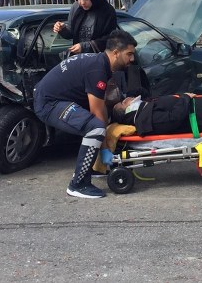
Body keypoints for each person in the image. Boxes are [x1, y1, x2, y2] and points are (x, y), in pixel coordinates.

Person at [33, 30, 137, 198]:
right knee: (95, 127)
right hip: (48, 103)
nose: (132, 59)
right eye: (129, 54)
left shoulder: (100, 63)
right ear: (116, 53)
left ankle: (92, 170)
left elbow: (101, 107)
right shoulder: (97, 70)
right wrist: (104, 149)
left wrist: (105, 145)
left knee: (100, 122)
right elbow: (96, 114)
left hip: (54, 98)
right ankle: (78, 184)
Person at [53, 0, 117, 55]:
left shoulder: (107, 11)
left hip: (99, 59)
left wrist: (86, 46)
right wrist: (62, 29)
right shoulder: (76, 7)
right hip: (79, 60)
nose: (82, 2)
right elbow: (71, 33)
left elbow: (110, 38)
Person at [108, 93, 202, 137]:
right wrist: (185, 97)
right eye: (123, 102)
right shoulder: (146, 119)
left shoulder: (145, 110)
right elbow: (175, 118)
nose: (127, 98)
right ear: (127, 110)